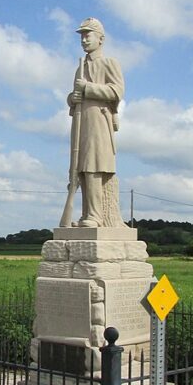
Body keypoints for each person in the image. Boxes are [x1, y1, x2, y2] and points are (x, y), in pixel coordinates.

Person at [62, 17, 124, 228]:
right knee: (80, 170)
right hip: (81, 123)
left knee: (94, 166)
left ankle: (96, 216)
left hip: (99, 121)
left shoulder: (109, 63)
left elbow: (117, 91)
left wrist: (88, 88)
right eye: (82, 36)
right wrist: (73, 98)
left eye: (88, 35)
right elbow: (73, 97)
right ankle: (86, 214)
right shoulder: (79, 68)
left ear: (101, 38)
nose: (84, 40)